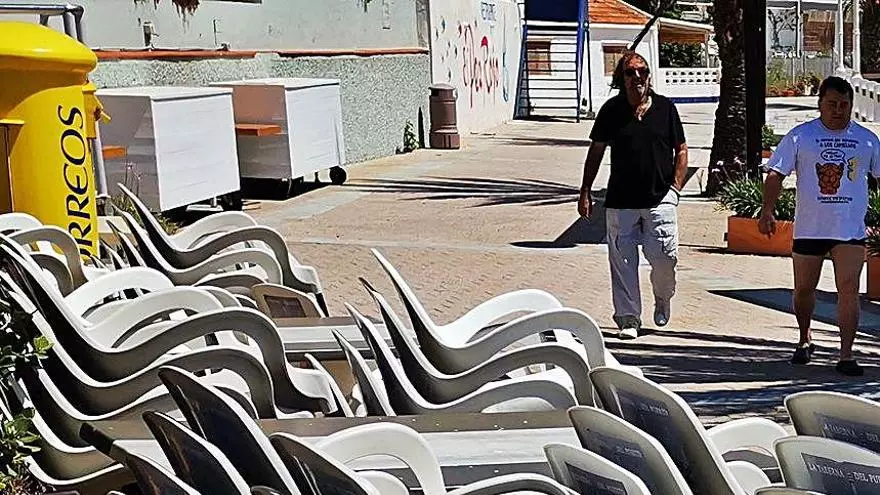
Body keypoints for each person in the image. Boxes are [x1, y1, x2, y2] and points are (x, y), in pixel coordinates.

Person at [760, 76, 880, 377]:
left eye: (844, 105)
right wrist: (767, 211)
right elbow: (775, 173)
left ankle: (846, 354)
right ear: (820, 104)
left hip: (849, 230)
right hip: (810, 228)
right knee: (804, 289)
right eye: (832, 104)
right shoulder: (801, 136)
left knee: (849, 289)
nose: (838, 110)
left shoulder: (867, 140)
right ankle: (804, 338)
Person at [577, 51, 689, 339]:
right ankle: (628, 318)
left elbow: (681, 150)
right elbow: (596, 151)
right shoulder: (611, 111)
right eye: (630, 72)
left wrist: (675, 189)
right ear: (621, 78)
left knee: (665, 259)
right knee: (623, 263)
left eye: (643, 71)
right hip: (621, 201)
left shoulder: (665, 109)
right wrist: (586, 190)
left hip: (660, 199)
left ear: (649, 76)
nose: (637, 77)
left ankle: (663, 297)